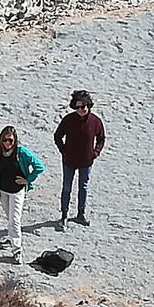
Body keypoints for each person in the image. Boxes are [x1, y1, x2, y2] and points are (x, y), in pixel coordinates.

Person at [0, 125, 44, 264]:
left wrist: (28, 180)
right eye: (5, 140)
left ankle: (17, 249)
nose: (8, 143)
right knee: (10, 218)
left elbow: (39, 166)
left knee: (14, 220)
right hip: (3, 191)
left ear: (15, 141)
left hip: (16, 191)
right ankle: (11, 237)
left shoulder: (21, 152)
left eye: (11, 141)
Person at [53, 90, 105, 231]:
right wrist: (64, 152)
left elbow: (101, 139)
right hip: (69, 161)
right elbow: (58, 136)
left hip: (86, 161)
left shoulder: (95, 122)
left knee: (83, 187)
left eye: (83, 107)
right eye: (77, 107)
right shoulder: (68, 120)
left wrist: (95, 153)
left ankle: (81, 214)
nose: (80, 110)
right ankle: (64, 214)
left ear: (88, 106)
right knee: (67, 188)